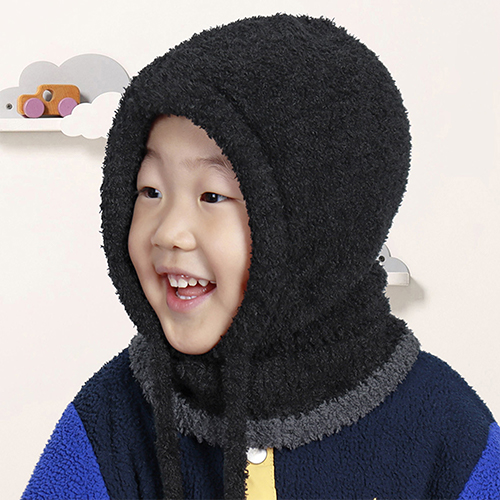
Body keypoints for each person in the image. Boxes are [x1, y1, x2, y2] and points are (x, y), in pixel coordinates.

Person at [22, 14, 499, 500]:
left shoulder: (445, 430)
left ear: (319, 223)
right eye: (150, 190)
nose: (169, 233)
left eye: (212, 196)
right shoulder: (111, 418)